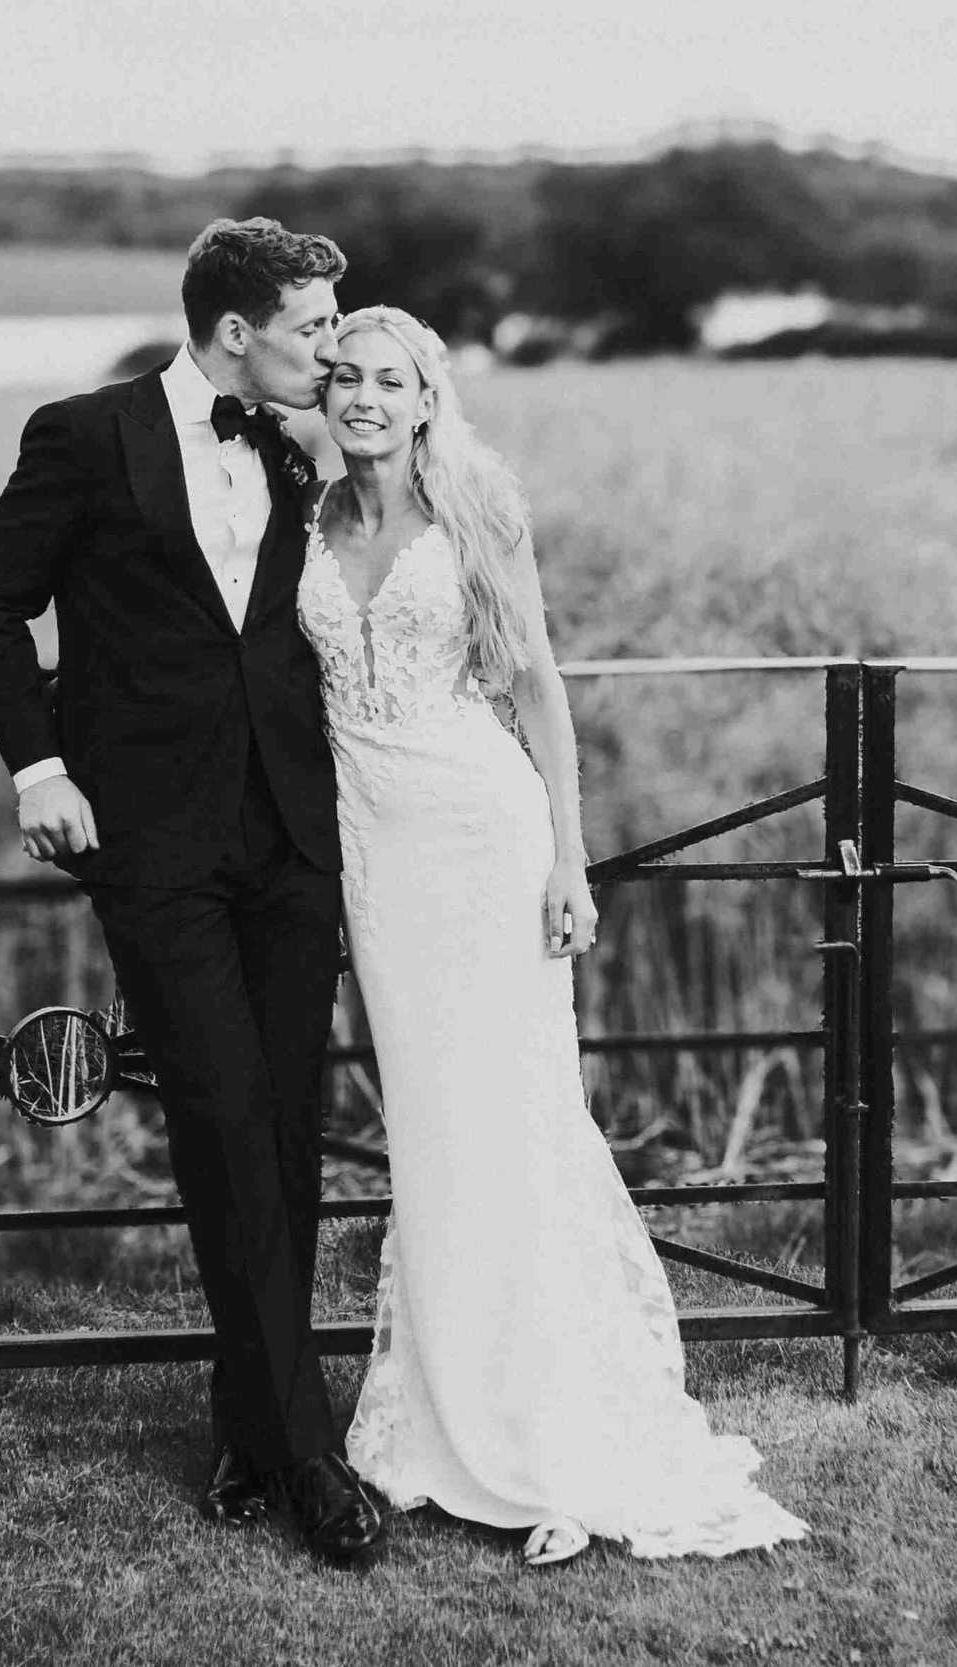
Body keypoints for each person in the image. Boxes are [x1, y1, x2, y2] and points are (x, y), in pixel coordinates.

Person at [300, 306, 810, 1567]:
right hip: (375, 854)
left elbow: (535, 682)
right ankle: (439, 1420)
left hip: (483, 833)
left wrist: (568, 858)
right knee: (426, 1124)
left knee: (514, 1114)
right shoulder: (302, 521)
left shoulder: (476, 506)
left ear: (426, 399)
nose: (365, 397)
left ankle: (549, 1436)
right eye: (345, 377)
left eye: (390, 380)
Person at [0, 218, 385, 1569]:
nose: (336, 346)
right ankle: (309, 1455)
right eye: (317, 325)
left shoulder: (317, 449)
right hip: (151, 840)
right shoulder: (87, 437)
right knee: (218, 1111)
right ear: (238, 329)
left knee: (290, 1121)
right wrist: (38, 766)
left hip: (294, 834)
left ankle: (247, 1421)